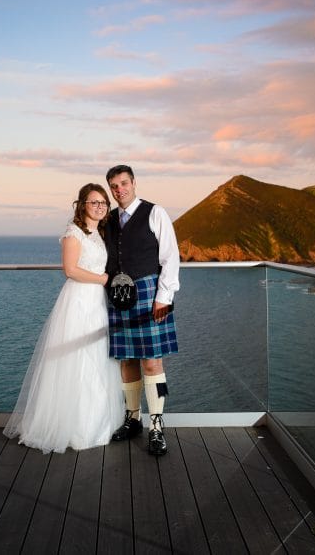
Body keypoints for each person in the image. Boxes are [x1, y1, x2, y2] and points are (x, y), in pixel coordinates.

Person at [3, 184, 123, 453]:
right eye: (94, 202)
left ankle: (96, 424)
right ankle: (75, 428)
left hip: (97, 302)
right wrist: (104, 279)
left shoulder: (99, 233)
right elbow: (70, 270)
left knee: (96, 360)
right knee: (77, 361)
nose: (100, 206)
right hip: (79, 301)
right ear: (82, 205)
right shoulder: (73, 233)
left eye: (103, 202)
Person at [104, 165, 180, 456]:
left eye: (123, 183)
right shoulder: (109, 219)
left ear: (134, 183)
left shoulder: (155, 212)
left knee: (152, 363)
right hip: (118, 296)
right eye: (114, 186)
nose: (119, 190)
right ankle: (133, 418)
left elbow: (170, 256)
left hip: (149, 294)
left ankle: (157, 426)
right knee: (127, 361)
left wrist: (164, 296)